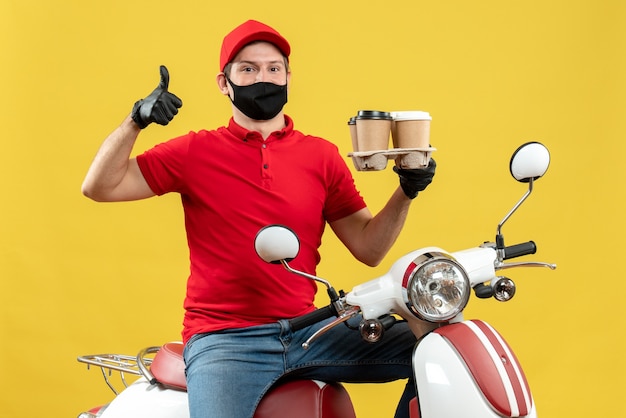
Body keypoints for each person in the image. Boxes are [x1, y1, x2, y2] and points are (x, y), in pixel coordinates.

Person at [82, 19, 436, 418]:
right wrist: (136, 121)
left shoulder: (320, 156)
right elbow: (100, 187)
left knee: (441, 347)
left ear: (288, 77)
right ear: (224, 82)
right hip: (225, 340)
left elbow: (369, 248)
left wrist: (406, 190)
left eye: (273, 68)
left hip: (310, 331)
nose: (263, 77)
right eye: (247, 69)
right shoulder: (194, 151)